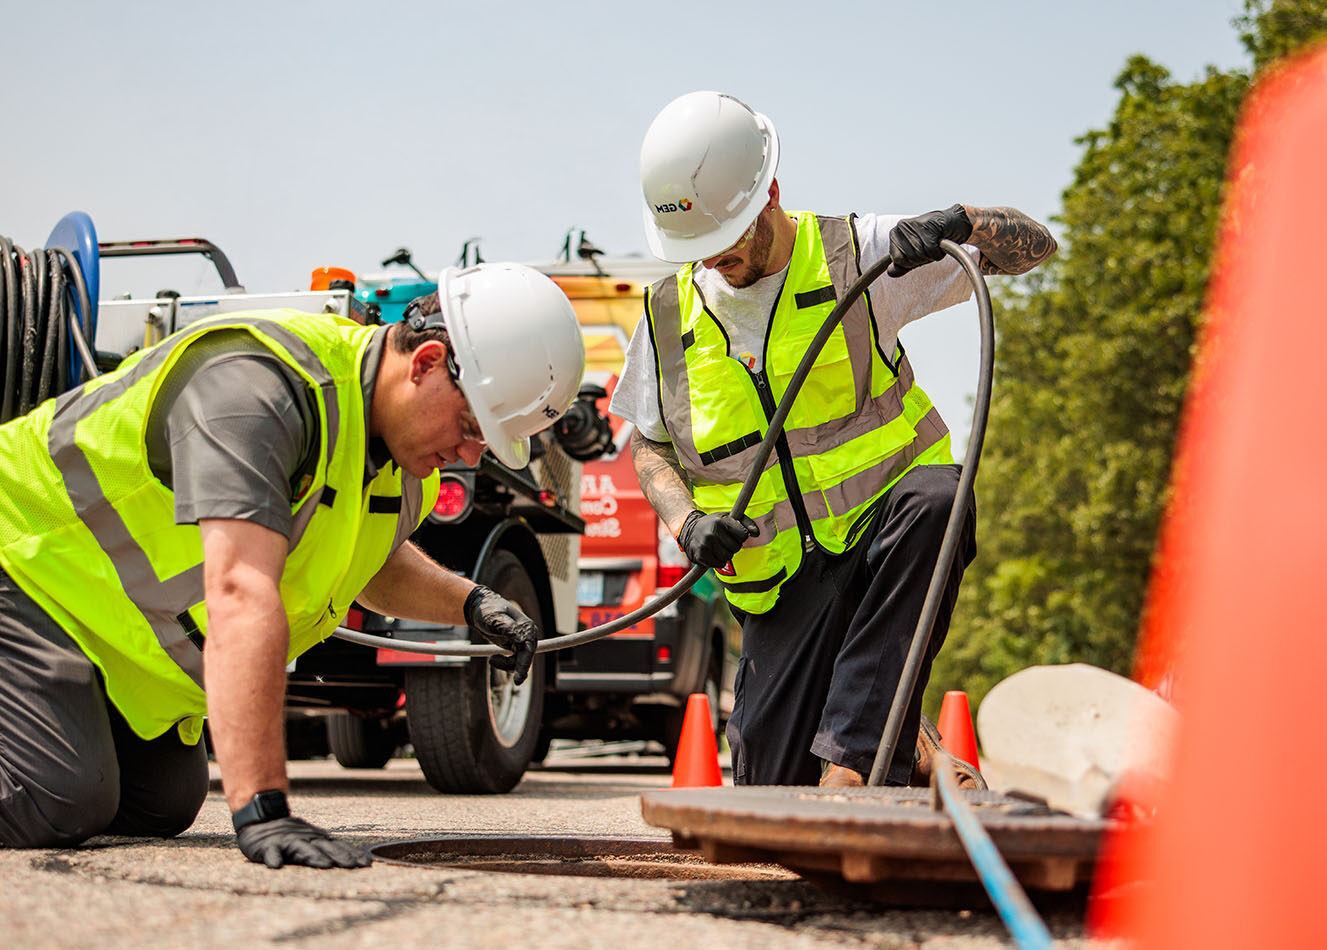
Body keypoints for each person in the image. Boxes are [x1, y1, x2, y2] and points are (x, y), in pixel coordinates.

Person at [0, 262, 586, 868]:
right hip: (23, 561)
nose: (470, 453)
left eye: (486, 442)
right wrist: (262, 807)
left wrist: (470, 604)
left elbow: (370, 562)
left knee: (163, 803)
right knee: (56, 798)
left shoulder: (402, 462)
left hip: (97, 623)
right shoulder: (259, 389)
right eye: (471, 426)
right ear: (426, 363)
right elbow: (239, 588)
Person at [611, 91, 1057, 788]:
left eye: (722, 241)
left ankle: (851, 766)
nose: (711, 263)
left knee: (941, 498)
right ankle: (907, 738)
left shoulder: (859, 255)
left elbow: (1036, 249)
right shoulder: (668, 316)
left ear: (770, 197)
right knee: (769, 793)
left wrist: (961, 220)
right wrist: (685, 520)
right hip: (783, 586)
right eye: (695, 249)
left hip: (887, 545)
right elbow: (648, 444)